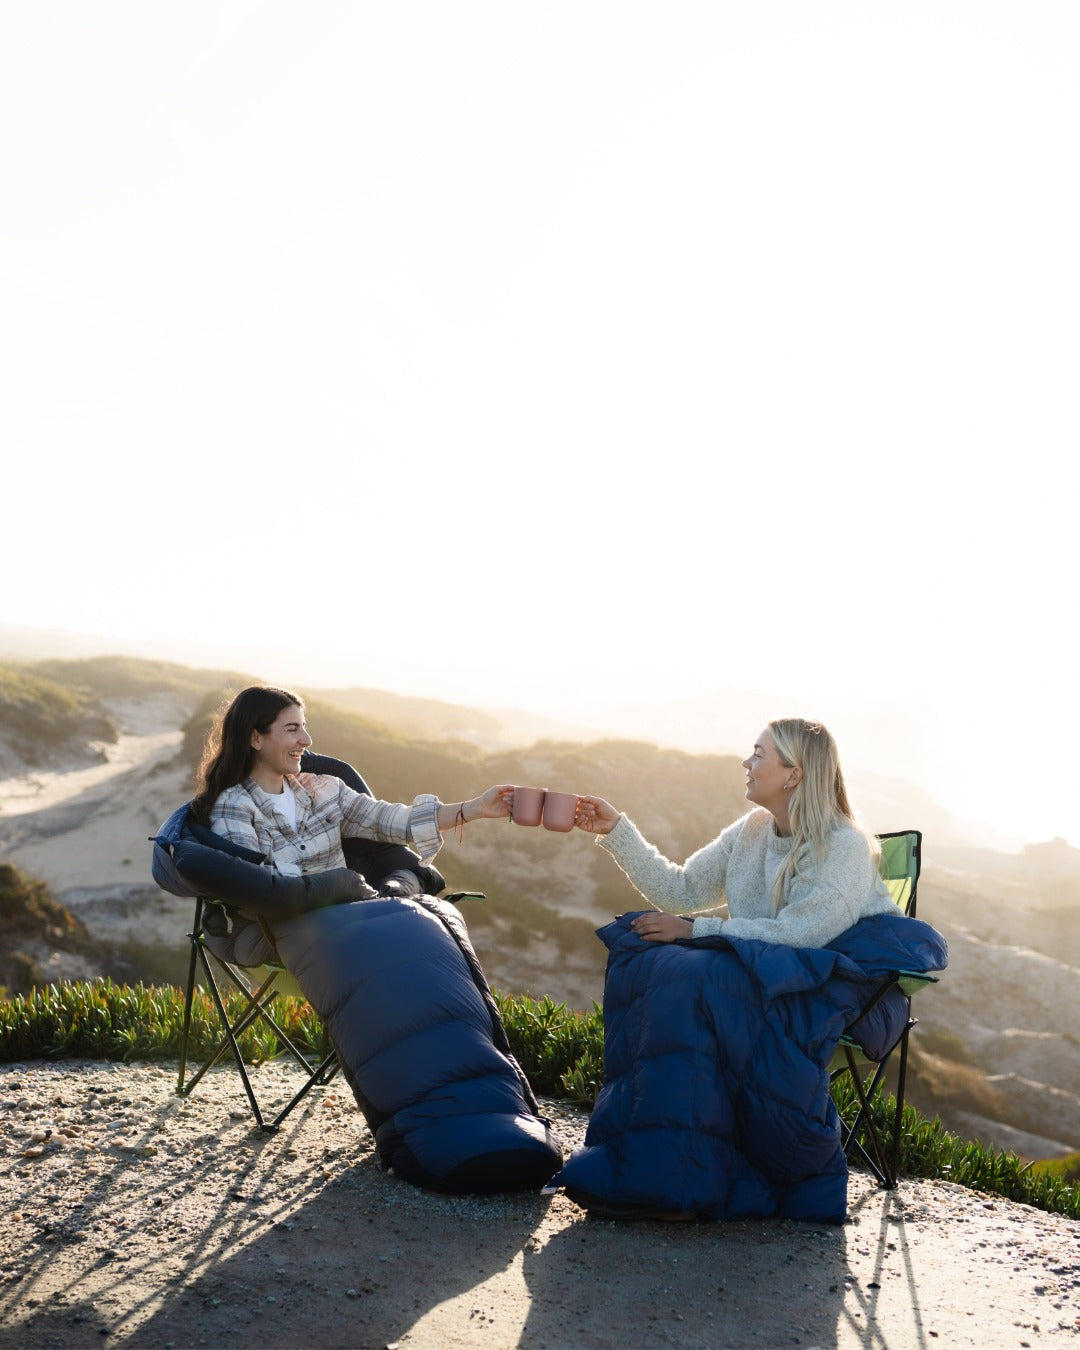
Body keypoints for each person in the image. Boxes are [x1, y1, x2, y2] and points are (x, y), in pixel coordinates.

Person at [574, 717, 898, 949]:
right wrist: (615, 829)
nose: (746, 762)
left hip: (832, 996)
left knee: (676, 977)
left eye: (758, 754)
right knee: (638, 946)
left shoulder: (845, 845)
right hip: (767, 977)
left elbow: (802, 935)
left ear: (793, 775)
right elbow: (681, 891)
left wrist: (695, 931)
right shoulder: (753, 829)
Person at [189, 685, 513, 877]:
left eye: (304, 727)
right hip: (288, 934)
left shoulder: (324, 789)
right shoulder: (233, 808)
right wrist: (342, 890)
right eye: (292, 729)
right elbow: (254, 885)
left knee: (437, 928)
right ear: (255, 738)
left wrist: (478, 808)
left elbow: (398, 822)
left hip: (348, 919)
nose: (307, 739)